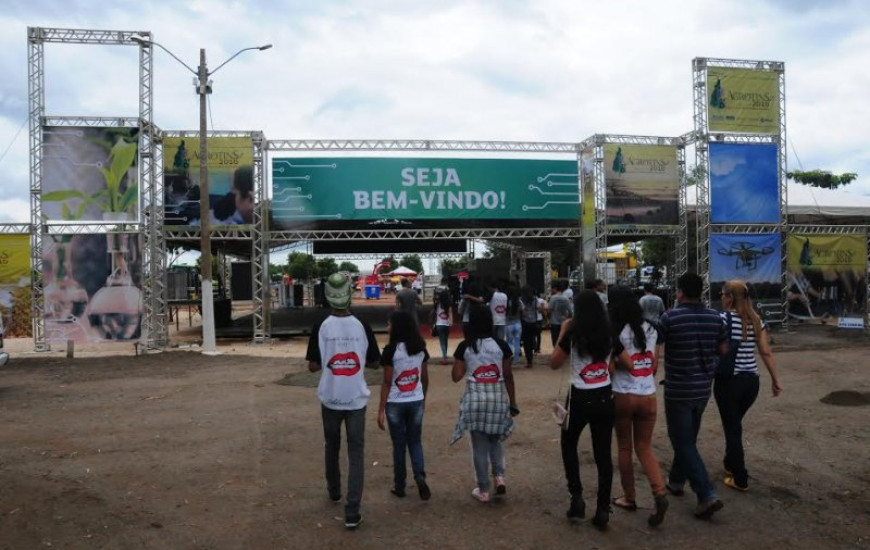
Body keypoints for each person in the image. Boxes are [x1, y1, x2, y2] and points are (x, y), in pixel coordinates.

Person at [305, 272, 381, 530]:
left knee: (332, 445)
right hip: (356, 399)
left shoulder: (321, 326)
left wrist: (331, 358)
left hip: (330, 398)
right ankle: (352, 511)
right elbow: (373, 362)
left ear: (327, 296)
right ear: (350, 295)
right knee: (356, 453)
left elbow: (313, 366)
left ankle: (334, 490)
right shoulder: (362, 325)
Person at [658, 273, 727, 520]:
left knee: (682, 440)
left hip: (678, 389)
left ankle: (706, 494)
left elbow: (656, 345)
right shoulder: (715, 318)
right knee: (687, 438)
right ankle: (676, 481)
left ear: (680, 292)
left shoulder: (670, 318)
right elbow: (723, 349)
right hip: (702, 389)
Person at [551, 290, 614, 530]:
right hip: (604, 396)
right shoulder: (609, 332)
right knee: (603, 455)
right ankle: (602, 508)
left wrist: (563, 332)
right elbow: (623, 361)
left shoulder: (574, 333)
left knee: (569, 444)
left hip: (579, 396)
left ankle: (576, 496)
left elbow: (555, 362)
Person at [608, 287, 669, 527]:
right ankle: (659, 492)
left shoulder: (614, 330)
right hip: (648, 395)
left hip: (623, 394)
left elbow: (613, 366)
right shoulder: (651, 328)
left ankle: (629, 497)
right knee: (644, 447)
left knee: (624, 447)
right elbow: (653, 365)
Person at [714, 280, 783, 492]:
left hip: (729, 382)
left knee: (733, 428)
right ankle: (729, 462)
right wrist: (775, 380)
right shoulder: (757, 320)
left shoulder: (722, 319)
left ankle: (740, 478)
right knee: (733, 424)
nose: (721, 297)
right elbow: (765, 352)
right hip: (752, 383)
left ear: (730, 297)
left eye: (722, 294)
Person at [451, 306, 518, 504]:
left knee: (479, 447)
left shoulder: (465, 347)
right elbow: (508, 376)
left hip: (475, 402)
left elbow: (456, 377)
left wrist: (460, 360)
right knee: (495, 441)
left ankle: (483, 489)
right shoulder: (501, 346)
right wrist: (512, 402)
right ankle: (499, 477)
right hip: (497, 400)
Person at [377, 310, 432, 501]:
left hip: (395, 402)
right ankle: (420, 476)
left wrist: (380, 410)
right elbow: (425, 379)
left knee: (399, 445)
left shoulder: (390, 351)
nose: (387, 327)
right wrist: (422, 399)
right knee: (415, 441)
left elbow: (386, 382)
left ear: (397, 327)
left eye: (389, 324)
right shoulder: (420, 349)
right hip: (415, 399)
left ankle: (399, 485)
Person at [432, 279, 453, 365]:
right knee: (446, 341)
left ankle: (444, 357)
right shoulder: (448, 305)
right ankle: (445, 356)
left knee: (442, 342)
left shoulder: (437, 304)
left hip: (439, 324)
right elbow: (450, 313)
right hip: (446, 324)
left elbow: (433, 313)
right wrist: (451, 322)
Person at [547, 280, 572, 348]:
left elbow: (549, 310)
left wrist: (548, 318)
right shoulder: (566, 298)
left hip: (554, 322)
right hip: (563, 322)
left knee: (555, 339)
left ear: (555, 288)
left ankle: (556, 351)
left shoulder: (553, 298)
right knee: (563, 339)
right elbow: (570, 311)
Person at [519, 285, 539, 368]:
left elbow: (522, 312)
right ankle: (533, 351)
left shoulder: (521, 300)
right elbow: (537, 310)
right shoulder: (535, 299)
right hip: (534, 322)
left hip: (525, 322)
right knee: (532, 339)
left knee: (526, 342)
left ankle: (529, 361)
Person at [504, 284, 522, 366]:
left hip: (508, 325)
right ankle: (516, 360)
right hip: (518, 324)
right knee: (517, 342)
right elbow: (523, 311)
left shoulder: (505, 302)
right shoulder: (518, 301)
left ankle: (510, 358)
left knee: (509, 342)